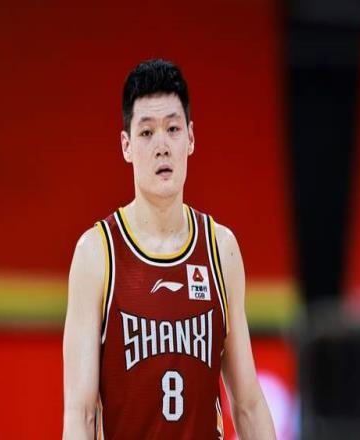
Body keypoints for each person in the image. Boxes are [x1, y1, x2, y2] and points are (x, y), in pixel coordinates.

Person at [62, 59, 276, 440]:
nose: (162, 146)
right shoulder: (97, 253)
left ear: (190, 138)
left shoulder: (220, 249)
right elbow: (80, 413)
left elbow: (248, 404)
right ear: (126, 146)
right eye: (146, 132)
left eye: (173, 129)